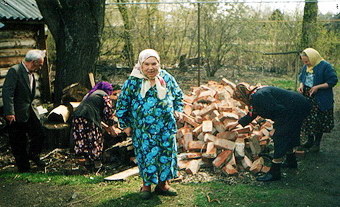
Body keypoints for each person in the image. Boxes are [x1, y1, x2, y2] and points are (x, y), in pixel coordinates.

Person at [116, 49, 184, 199]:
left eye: (154, 63)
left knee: (166, 154)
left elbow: (178, 95)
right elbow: (122, 104)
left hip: (166, 127)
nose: (150, 67)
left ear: (159, 63)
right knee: (146, 155)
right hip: (143, 130)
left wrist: (178, 110)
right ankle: (146, 186)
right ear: (141, 64)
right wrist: (125, 125)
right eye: (146, 64)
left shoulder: (166, 77)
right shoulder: (133, 81)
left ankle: (163, 185)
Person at [226, 83, 311, 182]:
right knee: (289, 134)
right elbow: (253, 113)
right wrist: (237, 123)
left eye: (240, 100)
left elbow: (280, 111)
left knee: (280, 136)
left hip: (296, 107)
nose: (242, 103)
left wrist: (276, 128)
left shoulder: (259, 97)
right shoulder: (255, 95)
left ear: (243, 96)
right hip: (296, 105)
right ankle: (291, 162)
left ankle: (275, 173)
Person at [2, 49, 46, 173]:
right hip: (16, 112)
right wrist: (9, 112)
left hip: (29, 110)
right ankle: (24, 167)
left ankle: (33, 155)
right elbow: (7, 92)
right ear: (33, 62)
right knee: (19, 141)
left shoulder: (31, 73)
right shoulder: (15, 71)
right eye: (40, 65)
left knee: (39, 133)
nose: (40, 67)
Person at [298, 48, 338, 152]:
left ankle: (317, 143)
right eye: (304, 61)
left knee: (318, 120)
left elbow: (333, 81)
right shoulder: (306, 67)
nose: (305, 63)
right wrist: (301, 85)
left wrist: (317, 87)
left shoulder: (326, 66)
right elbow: (302, 77)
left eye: (307, 61)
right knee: (307, 119)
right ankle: (309, 140)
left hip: (320, 97)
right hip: (307, 95)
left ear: (313, 58)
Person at [71, 81, 118, 170]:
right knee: (94, 139)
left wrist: (107, 127)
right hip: (89, 118)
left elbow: (98, 118)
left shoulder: (90, 94)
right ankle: (97, 165)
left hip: (78, 117)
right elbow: (108, 113)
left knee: (82, 140)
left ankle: (85, 164)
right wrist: (112, 128)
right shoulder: (104, 95)